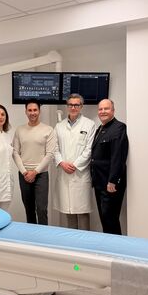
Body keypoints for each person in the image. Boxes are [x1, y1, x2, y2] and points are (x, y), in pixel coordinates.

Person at [54, 94, 96, 230]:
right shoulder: (59, 126)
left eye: (76, 105)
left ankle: (84, 242)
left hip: (80, 174)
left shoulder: (89, 124)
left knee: (82, 211)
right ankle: (72, 241)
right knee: (69, 211)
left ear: (81, 106)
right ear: (67, 106)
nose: (73, 107)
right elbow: (54, 148)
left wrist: (75, 165)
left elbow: (89, 149)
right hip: (64, 172)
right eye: (70, 105)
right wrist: (62, 163)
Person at [12, 100, 56, 225]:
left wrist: (35, 172)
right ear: (26, 112)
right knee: (29, 209)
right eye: (30, 110)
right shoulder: (19, 130)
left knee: (41, 209)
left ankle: (44, 235)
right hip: (24, 174)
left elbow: (50, 154)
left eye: (35, 110)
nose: (32, 113)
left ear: (39, 111)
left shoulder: (48, 130)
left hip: (41, 175)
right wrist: (24, 172)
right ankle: (32, 235)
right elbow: (15, 152)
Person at [90, 99, 129, 235]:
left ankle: (116, 247)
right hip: (99, 182)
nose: (103, 111)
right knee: (105, 219)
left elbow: (118, 156)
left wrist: (112, 180)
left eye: (106, 109)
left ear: (113, 110)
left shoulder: (118, 128)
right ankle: (108, 246)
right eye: (100, 109)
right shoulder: (100, 129)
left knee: (110, 219)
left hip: (110, 184)